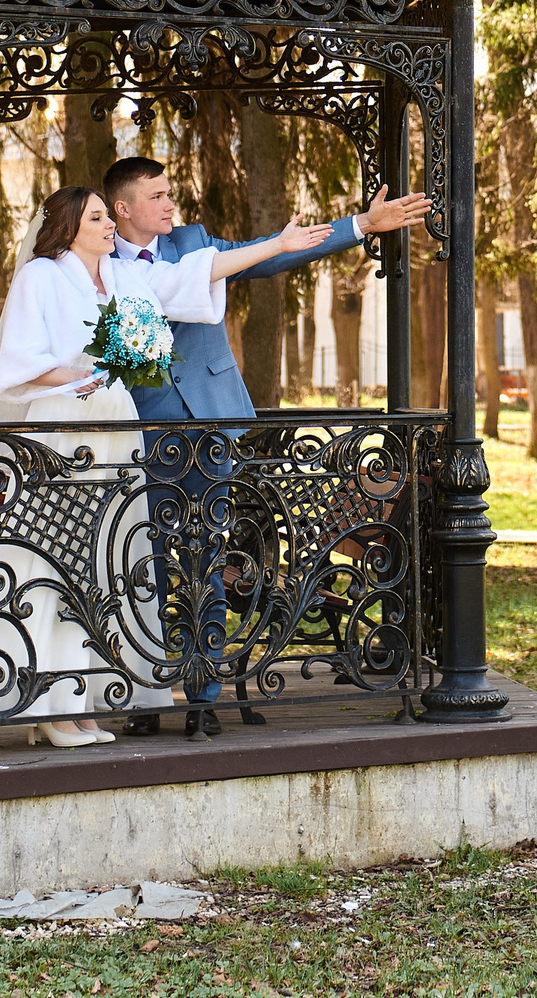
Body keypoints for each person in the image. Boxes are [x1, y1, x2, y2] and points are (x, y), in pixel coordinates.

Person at [0, 184, 329, 748]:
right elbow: (21, 362)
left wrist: (277, 246)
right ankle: (41, 702)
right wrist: (85, 374)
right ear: (68, 228)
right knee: (57, 559)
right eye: (97, 218)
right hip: (64, 431)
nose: (108, 226)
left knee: (102, 564)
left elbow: (197, 272)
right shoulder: (40, 277)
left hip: (116, 427)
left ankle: (83, 701)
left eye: (106, 216)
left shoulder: (123, 276)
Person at [100, 154, 434, 737]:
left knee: (205, 559)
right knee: (143, 564)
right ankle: (148, 695)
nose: (171, 203)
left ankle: (203, 694)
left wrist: (361, 224)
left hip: (211, 426)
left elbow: (271, 251)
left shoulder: (193, 242)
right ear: (122, 208)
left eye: (170, 193)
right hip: (142, 431)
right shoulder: (97, 259)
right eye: (157, 196)